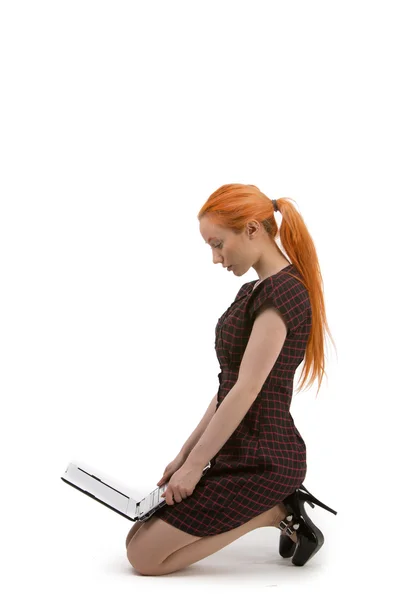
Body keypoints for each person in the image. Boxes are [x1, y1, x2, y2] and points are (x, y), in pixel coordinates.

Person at [126, 184, 337, 575]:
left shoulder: (282, 293)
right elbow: (228, 387)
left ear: (253, 229)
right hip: (237, 449)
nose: (214, 257)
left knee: (145, 559)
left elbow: (248, 389)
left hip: (264, 458)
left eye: (218, 244)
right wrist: (184, 457)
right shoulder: (253, 291)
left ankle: (273, 512)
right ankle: (273, 510)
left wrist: (195, 466)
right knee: (136, 537)